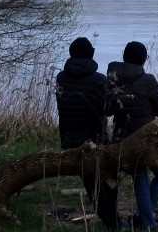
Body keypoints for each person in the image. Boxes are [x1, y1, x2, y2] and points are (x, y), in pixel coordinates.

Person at [56, 37, 121, 230]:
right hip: (96, 138)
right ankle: (113, 222)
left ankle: (112, 220)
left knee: (91, 180)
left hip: (68, 138)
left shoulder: (61, 77)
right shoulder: (99, 80)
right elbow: (108, 110)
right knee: (107, 176)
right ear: (91, 54)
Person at [107, 41, 158, 232]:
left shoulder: (112, 77)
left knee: (139, 174)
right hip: (146, 139)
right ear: (144, 59)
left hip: (121, 138)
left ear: (124, 56)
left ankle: (145, 220)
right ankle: (146, 219)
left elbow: (108, 110)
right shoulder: (148, 80)